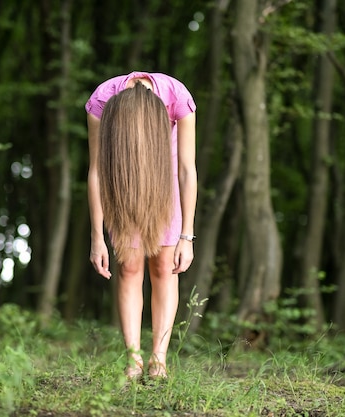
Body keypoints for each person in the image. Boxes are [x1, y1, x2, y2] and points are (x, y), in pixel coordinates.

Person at [85, 72, 197, 380]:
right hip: (123, 186)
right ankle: (133, 360)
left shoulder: (177, 96)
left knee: (164, 268)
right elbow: (95, 171)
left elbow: (187, 170)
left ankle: (158, 359)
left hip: (165, 186)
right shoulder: (102, 100)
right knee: (130, 269)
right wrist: (97, 237)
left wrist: (186, 235)